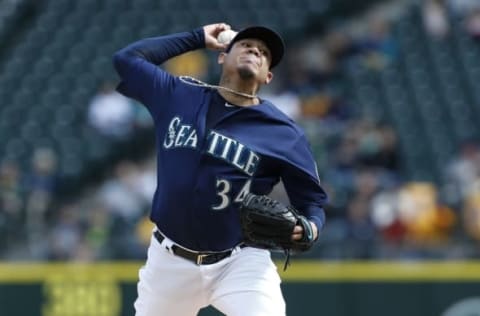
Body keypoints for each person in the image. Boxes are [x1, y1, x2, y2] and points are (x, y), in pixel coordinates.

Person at [113, 22, 328, 316]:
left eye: (264, 52)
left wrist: (310, 228)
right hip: (168, 262)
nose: (254, 49)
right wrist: (197, 38)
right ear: (222, 56)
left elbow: (312, 203)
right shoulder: (178, 94)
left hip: (239, 263)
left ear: (268, 76)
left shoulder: (284, 133)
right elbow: (126, 60)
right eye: (245, 44)